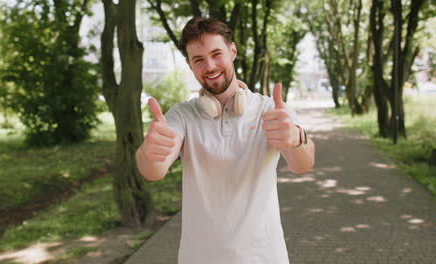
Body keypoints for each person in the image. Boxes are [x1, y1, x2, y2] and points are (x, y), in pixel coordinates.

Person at [135, 17, 315, 264]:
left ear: (232, 51)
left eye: (216, 54)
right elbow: (153, 171)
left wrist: (296, 139)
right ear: (190, 65)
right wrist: (148, 151)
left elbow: (303, 165)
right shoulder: (181, 115)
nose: (209, 66)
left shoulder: (270, 110)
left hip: (264, 257)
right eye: (199, 59)